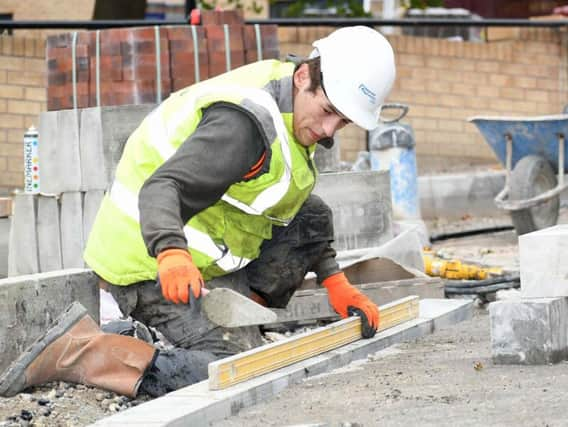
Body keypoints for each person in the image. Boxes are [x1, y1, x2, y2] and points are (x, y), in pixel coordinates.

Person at [0, 25, 396, 398]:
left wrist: (335, 282)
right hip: (147, 264)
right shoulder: (243, 127)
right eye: (328, 111)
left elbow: (291, 205)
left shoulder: (289, 101)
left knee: (311, 216)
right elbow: (162, 186)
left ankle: (234, 319)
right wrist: (170, 252)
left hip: (197, 255)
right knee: (234, 364)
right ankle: (82, 352)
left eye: (341, 121)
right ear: (303, 78)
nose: (329, 130)